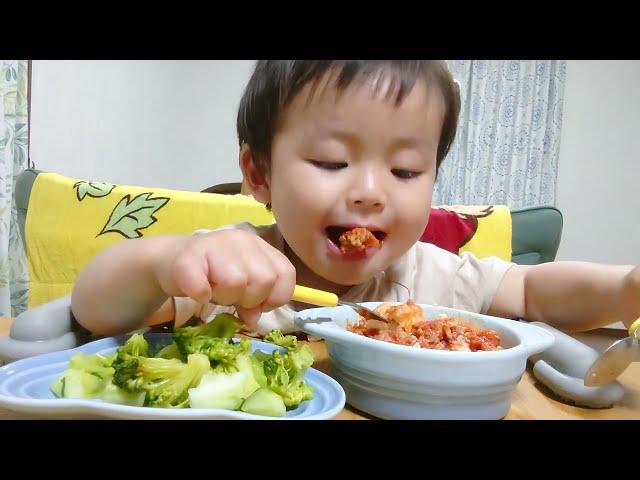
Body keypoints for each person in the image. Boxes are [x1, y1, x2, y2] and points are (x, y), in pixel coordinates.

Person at [71, 60, 640, 338]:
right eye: (331, 163)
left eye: (405, 169)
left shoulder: (433, 278)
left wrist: (622, 290)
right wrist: (165, 263)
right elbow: (93, 309)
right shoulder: (228, 269)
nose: (369, 192)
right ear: (259, 172)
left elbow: (536, 291)